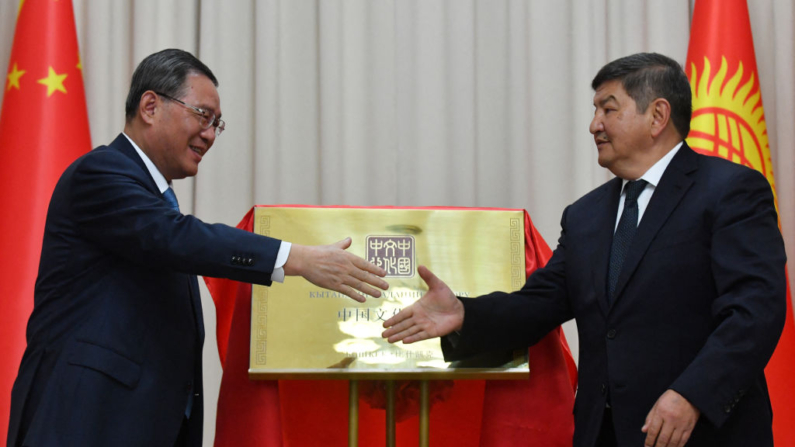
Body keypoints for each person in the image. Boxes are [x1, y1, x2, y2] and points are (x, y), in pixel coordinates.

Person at [382, 53, 787, 447]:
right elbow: (542, 303)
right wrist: (464, 314)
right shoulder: (585, 215)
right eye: (595, 111)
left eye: (608, 110)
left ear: (658, 116)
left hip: (700, 432)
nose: (594, 125)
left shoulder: (731, 191)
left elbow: (755, 311)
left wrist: (693, 394)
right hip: (603, 431)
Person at [7, 49, 388, 447]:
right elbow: (177, 237)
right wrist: (297, 258)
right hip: (83, 422)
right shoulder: (99, 174)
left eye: (216, 124)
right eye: (203, 116)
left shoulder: (154, 200)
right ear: (150, 106)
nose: (209, 134)